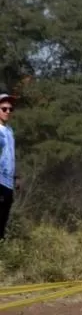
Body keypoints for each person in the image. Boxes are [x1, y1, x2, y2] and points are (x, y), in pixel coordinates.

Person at [0, 92, 17, 240]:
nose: (8, 112)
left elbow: (9, 156)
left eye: (10, 109)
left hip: (8, 182)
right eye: (4, 109)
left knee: (3, 221)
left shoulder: (9, 131)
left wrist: (16, 177)